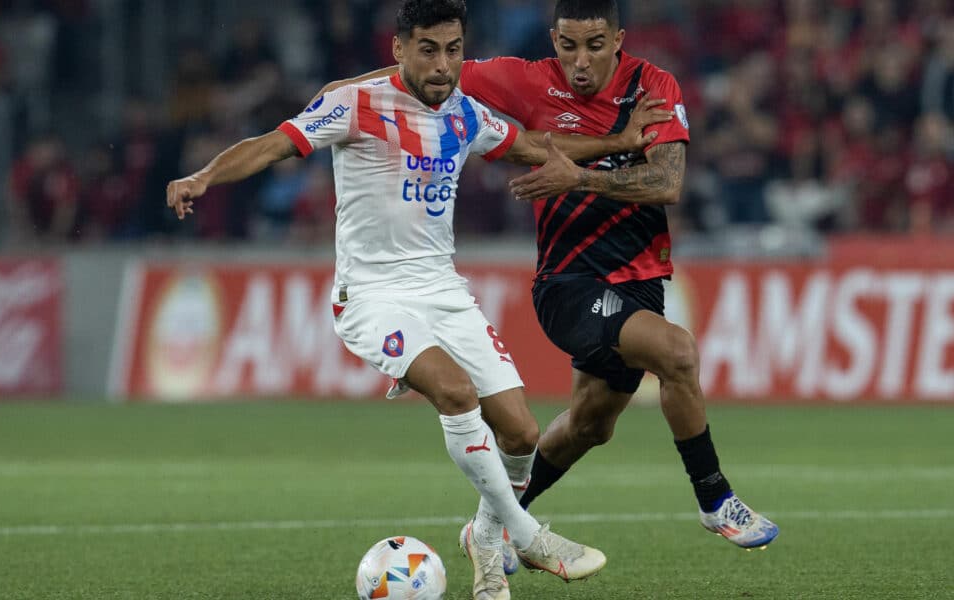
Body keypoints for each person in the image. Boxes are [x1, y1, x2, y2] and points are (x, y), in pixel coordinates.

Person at [166, 2, 670, 598]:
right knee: (456, 393)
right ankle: (527, 535)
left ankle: (486, 544)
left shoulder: (464, 114)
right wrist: (202, 176)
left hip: (442, 289)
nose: (443, 64)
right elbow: (273, 144)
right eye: (428, 49)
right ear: (400, 48)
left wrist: (618, 140)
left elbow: (534, 145)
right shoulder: (355, 104)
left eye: (454, 50)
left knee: (521, 433)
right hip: (372, 295)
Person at [317, 0, 780, 558]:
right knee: (676, 352)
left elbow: (665, 183)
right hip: (569, 283)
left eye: (593, 45)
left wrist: (578, 176)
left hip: (640, 279)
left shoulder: (653, 87)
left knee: (590, 424)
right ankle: (715, 499)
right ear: (553, 40)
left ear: (618, 40)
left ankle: (494, 526)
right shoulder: (528, 81)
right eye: (567, 46)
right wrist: (339, 95)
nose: (579, 61)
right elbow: (420, 73)